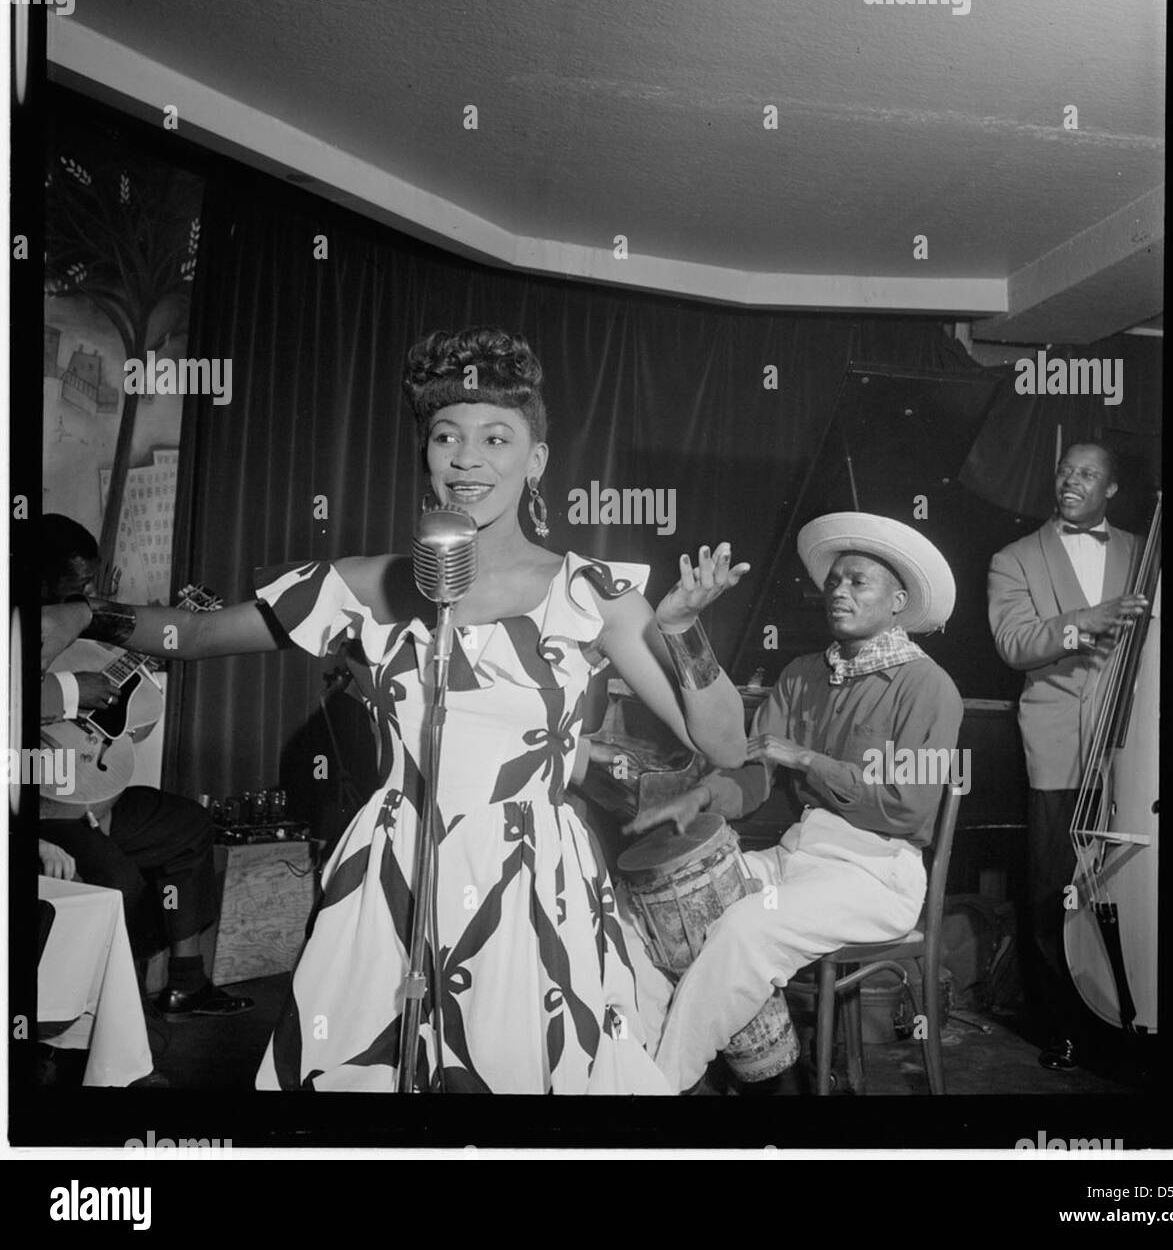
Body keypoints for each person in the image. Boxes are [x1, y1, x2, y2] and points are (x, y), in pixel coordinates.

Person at [41, 328, 750, 1094]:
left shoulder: (591, 593)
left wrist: (680, 632)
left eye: (496, 437)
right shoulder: (363, 584)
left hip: (529, 872)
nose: (467, 457)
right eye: (447, 436)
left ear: (536, 460)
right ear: (425, 454)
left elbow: (724, 741)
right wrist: (88, 614)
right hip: (391, 865)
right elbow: (203, 633)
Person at [627, 512, 963, 1095]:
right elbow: (754, 770)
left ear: (898, 600)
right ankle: (630, 1063)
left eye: (859, 581)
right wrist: (701, 797)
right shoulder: (803, 674)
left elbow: (908, 808)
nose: (839, 591)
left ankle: (659, 1088)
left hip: (877, 875)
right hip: (798, 861)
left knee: (745, 926)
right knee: (656, 909)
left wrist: (807, 759)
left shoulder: (928, 686)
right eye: (834, 581)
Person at [37, 515, 254, 1019]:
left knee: (188, 827)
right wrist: (73, 693)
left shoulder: (81, 626)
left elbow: (133, 727)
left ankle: (186, 981)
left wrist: (130, 679)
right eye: (74, 584)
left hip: (91, 793)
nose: (85, 595)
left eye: (90, 584)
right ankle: (83, 1021)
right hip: (38, 801)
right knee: (121, 881)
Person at [987, 441, 1147, 1072]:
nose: (1070, 482)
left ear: (1110, 488)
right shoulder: (1014, 558)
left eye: (1087, 474)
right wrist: (1089, 619)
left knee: (1131, 885)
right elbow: (1014, 642)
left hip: (1134, 749)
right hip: (1057, 746)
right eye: (1064, 471)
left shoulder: (1143, 550)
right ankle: (1062, 1027)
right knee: (1056, 890)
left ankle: (1129, 1016)